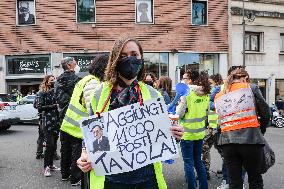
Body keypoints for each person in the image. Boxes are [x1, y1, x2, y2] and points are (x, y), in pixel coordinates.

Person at [77, 36, 184, 189]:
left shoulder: (153, 94)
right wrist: (85, 154)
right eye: (123, 56)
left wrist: (175, 134)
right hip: (111, 178)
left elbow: (163, 135)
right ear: (115, 59)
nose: (129, 60)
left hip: (147, 178)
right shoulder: (99, 93)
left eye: (134, 55)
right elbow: (91, 133)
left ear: (141, 59)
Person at [214, 68, 270, 189]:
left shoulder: (220, 94)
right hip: (250, 140)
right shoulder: (250, 87)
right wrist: (262, 130)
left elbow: (220, 121)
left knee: (234, 181)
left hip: (228, 143)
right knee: (255, 179)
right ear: (245, 78)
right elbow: (266, 113)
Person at [59, 55, 108, 186]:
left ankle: (65, 175)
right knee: (78, 157)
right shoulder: (94, 83)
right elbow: (93, 112)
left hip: (68, 124)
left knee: (66, 154)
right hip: (77, 128)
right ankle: (75, 179)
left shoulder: (85, 79)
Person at [176, 70, 211, 189]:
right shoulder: (206, 92)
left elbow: (179, 114)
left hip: (187, 134)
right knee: (198, 161)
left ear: (190, 80)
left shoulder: (186, 93)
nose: (182, 80)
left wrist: (179, 105)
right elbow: (206, 113)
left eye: (184, 78)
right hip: (200, 134)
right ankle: (203, 186)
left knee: (188, 163)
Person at [54, 57, 81, 185]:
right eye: (75, 63)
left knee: (65, 147)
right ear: (70, 66)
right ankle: (75, 178)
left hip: (62, 118)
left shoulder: (58, 80)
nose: (77, 65)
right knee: (76, 148)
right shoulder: (76, 80)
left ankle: (65, 174)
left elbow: (57, 98)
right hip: (74, 118)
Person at [201, 73, 223, 180]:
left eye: (211, 83)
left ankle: (205, 171)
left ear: (216, 82)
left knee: (206, 147)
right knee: (221, 149)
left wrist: (207, 102)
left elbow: (211, 105)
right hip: (215, 124)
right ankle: (226, 170)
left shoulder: (218, 90)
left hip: (214, 124)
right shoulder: (222, 90)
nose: (209, 85)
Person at [38, 75, 60, 177]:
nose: (53, 81)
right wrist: (54, 106)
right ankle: (46, 167)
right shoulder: (42, 93)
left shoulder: (55, 92)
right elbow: (40, 107)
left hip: (56, 122)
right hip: (47, 122)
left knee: (54, 145)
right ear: (46, 82)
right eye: (51, 80)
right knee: (49, 145)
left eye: (54, 80)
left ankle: (51, 165)